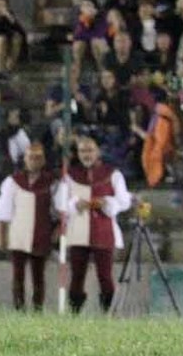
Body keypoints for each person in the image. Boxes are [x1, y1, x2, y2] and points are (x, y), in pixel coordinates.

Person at [54, 134, 133, 314]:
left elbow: (124, 201)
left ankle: (108, 314)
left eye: (90, 150)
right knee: (77, 275)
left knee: (105, 276)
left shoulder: (113, 174)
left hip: (103, 230)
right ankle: (74, 313)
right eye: (82, 151)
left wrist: (106, 203)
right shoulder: (70, 175)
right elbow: (59, 202)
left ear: (98, 151)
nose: (86, 155)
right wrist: (74, 204)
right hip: (78, 229)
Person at [0, 140, 56, 311]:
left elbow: (59, 209)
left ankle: (37, 310)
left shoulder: (51, 183)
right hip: (18, 234)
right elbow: (3, 210)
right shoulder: (13, 181)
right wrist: (1, 235)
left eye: (38, 157)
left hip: (41, 233)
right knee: (17, 275)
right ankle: (19, 308)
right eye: (31, 157)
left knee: (39, 276)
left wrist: (56, 232)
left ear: (43, 160)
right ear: (25, 159)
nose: (34, 161)